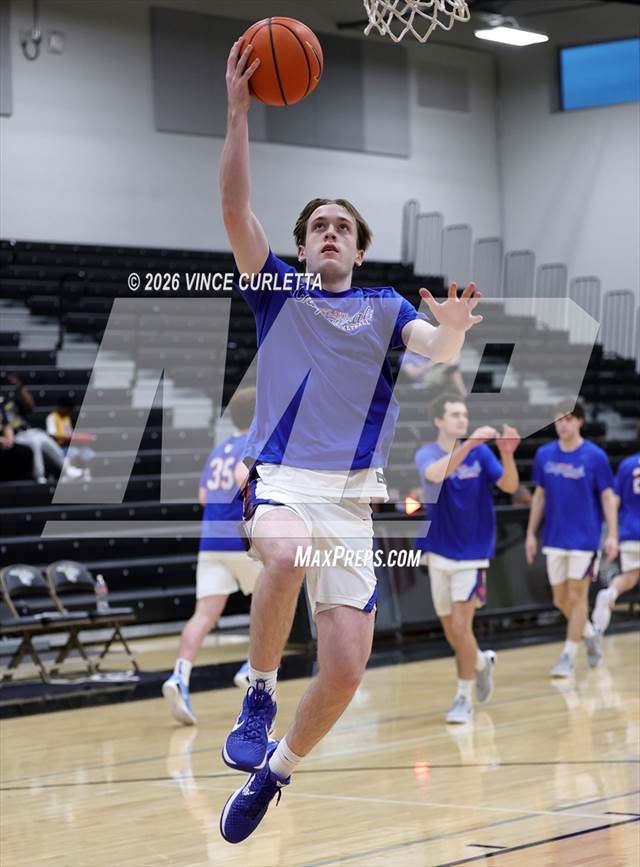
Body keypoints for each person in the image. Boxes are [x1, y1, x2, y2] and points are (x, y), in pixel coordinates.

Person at [216, 40, 484, 844]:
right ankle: (258, 690)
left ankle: (277, 772)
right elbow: (235, 212)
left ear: (359, 249)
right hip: (285, 481)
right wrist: (238, 112)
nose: (329, 233)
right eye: (318, 226)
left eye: (342, 227)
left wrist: (456, 334)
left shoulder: (385, 305)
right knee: (285, 552)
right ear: (302, 248)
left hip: (353, 499)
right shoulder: (279, 291)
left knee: (343, 671)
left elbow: (434, 353)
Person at [415, 394, 520, 724]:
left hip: (473, 554)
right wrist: (470, 443)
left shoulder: (481, 453)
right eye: (455, 414)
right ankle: (480, 662)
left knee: (462, 627)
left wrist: (506, 454)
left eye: (464, 414)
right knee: (453, 634)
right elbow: (435, 475)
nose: (462, 419)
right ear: (438, 421)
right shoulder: (428, 453)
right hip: (438, 551)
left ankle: (463, 697)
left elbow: (510, 484)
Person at [162, 387, 260, 725]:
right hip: (239, 539)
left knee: (204, 614)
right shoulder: (252, 445)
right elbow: (241, 479)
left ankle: (179, 676)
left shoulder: (220, 448)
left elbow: (204, 495)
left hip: (211, 540)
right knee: (275, 598)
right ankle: (252, 666)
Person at [525, 398, 618, 677]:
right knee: (559, 599)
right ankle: (589, 634)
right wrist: (531, 533)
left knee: (578, 598)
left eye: (568, 419)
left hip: (585, 539)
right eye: (558, 419)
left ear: (579, 421)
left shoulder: (595, 456)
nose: (562, 425)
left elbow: (607, 496)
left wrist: (612, 534)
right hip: (554, 537)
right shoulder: (544, 455)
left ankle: (568, 654)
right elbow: (539, 495)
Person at [592, 448, 639, 633]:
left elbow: (613, 500)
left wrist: (612, 533)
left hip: (629, 530)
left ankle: (611, 592)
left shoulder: (627, 464)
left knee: (630, 576)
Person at [2, 375, 81, 483]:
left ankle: (66, 469)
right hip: (15, 437)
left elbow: (30, 406)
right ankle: (39, 476)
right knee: (35, 442)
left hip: (27, 431)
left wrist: (19, 386)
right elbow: (6, 427)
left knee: (43, 437)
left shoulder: (10, 402)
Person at [46, 394, 96, 480]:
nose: (69, 412)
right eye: (68, 410)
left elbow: (70, 434)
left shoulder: (66, 418)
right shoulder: (52, 417)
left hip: (71, 445)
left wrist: (80, 438)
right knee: (74, 453)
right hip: (59, 447)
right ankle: (70, 476)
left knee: (90, 454)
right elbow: (53, 436)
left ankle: (87, 474)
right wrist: (70, 438)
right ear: (61, 407)